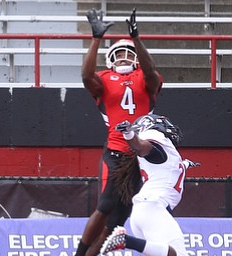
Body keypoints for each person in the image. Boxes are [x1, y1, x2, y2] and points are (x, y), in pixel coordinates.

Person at [75, 7, 163, 256]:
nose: (123, 57)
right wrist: (96, 38)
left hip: (141, 157)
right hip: (116, 153)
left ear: (135, 57)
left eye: (128, 53)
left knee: (116, 223)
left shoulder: (145, 77)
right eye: (118, 54)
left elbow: (151, 74)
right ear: (110, 59)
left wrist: (136, 38)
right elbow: (85, 76)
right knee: (105, 205)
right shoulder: (103, 79)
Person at [100, 114, 200, 256]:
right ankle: (126, 241)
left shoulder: (166, 153)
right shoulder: (155, 142)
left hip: (146, 211)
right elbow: (140, 147)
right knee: (177, 253)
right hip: (153, 208)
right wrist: (129, 134)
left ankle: (126, 240)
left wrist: (186, 164)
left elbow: (168, 167)